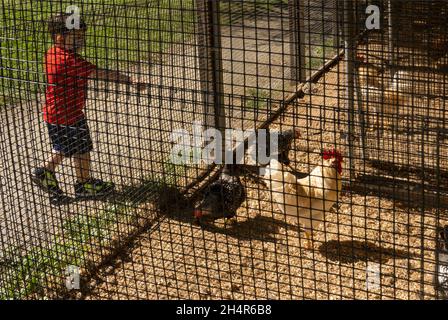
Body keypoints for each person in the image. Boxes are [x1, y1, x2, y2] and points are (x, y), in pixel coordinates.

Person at [31, 13, 147, 203]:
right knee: (81, 148)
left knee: (65, 147)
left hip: (53, 114)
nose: (81, 41)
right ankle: (76, 181)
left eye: (82, 37)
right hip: (70, 116)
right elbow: (101, 73)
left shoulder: (52, 53)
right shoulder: (71, 61)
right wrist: (130, 80)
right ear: (60, 37)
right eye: (76, 37)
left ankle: (59, 176)